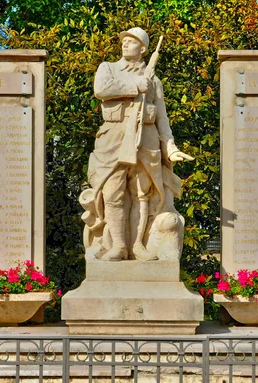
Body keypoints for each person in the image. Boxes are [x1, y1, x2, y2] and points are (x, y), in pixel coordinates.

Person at [79, 27, 193, 262]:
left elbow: (162, 117)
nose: (125, 44)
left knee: (142, 194)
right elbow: (101, 90)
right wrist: (135, 86)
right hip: (113, 138)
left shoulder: (154, 81)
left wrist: (170, 147)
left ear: (143, 49)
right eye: (124, 41)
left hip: (145, 139)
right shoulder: (107, 68)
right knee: (112, 193)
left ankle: (138, 245)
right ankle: (119, 246)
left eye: (131, 42)